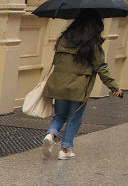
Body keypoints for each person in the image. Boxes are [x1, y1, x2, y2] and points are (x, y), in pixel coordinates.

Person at [42, 10, 122, 160]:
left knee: (60, 115)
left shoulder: (63, 39)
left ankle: (51, 134)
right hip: (79, 87)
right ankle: (64, 150)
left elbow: (56, 61)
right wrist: (114, 87)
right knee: (74, 118)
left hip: (59, 83)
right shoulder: (93, 44)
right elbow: (101, 67)